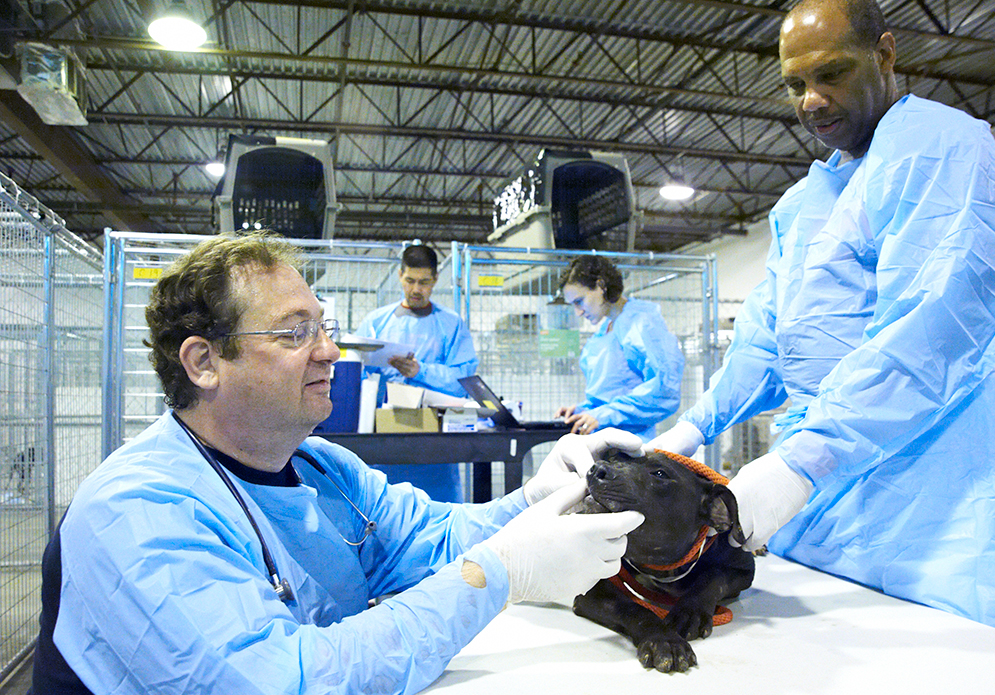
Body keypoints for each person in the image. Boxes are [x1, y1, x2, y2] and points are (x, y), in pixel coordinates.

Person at [32, 232, 645, 695]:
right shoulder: (138, 511)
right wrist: (502, 573)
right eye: (296, 332)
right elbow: (284, 682)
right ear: (203, 363)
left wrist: (536, 498)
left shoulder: (323, 467)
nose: (329, 351)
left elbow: (430, 538)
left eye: (324, 328)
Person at [650, 0, 995, 641]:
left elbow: (934, 327)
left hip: (940, 497)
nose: (812, 101)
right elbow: (769, 340)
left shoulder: (941, 148)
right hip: (828, 508)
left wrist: (800, 462)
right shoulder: (804, 204)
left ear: (885, 55)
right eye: (795, 85)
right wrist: (689, 433)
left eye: (831, 75)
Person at [356, 243, 478, 501]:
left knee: (440, 511)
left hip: (435, 440)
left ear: (435, 280)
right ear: (400, 275)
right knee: (385, 511)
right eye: (410, 280)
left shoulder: (451, 324)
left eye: (424, 282)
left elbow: (463, 381)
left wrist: (420, 371)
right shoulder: (376, 322)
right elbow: (358, 375)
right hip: (385, 437)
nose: (415, 289)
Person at [554, 255, 685, 441]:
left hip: (631, 448)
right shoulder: (606, 329)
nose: (578, 312)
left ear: (600, 286)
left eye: (579, 301)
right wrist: (584, 411)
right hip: (603, 442)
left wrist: (605, 415)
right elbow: (612, 391)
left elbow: (665, 389)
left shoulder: (641, 323)